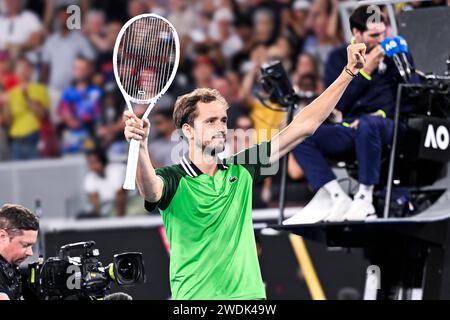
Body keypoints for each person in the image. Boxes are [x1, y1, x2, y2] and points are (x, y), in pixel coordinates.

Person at [123, 43, 366, 299]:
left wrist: (348, 72)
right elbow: (150, 190)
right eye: (210, 121)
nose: (220, 127)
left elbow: (304, 126)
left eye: (223, 120)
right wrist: (140, 148)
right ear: (188, 130)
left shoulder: (243, 167)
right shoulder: (173, 178)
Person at [284, 5, 415, 225]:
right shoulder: (338, 58)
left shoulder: (397, 54)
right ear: (356, 33)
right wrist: (365, 71)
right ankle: (336, 197)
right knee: (299, 134)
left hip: (387, 124)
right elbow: (338, 103)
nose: (381, 40)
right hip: (350, 126)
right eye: (374, 36)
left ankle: (365, 198)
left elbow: (412, 96)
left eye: (384, 33)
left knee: (368, 125)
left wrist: (381, 113)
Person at [3, 57, 50, 160]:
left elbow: (42, 115)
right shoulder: (11, 93)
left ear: (31, 71)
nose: (22, 71)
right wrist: (6, 105)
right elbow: (8, 121)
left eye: (25, 68)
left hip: (34, 139)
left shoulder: (40, 89)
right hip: (16, 141)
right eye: (19, 68)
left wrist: (26, 97)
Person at [0, 204, 39, 300]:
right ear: (2, 236)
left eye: (32, 246)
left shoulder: (10, 267)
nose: (30, 253)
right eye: (25, 245)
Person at [83, 149, 126, 217]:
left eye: (94, 162)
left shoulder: (116, 171)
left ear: (102, 161)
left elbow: (120, 195)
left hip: (129, 203)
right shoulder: (90, 177)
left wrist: (119, 222)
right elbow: (94, 199)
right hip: (107, 208)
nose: (91, 166)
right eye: (89, 163)